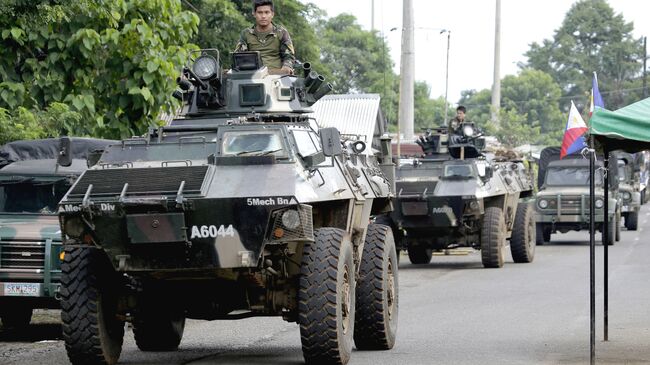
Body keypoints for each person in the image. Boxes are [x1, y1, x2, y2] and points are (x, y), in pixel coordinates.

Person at [234, 0, 296, 74]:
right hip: (253, 76)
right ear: (254, 14)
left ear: (272, 14)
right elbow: (238, 58)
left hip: (277, 76)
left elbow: (289, 56)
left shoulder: (281, 32)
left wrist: (286, 67)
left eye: (267, 12)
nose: (263, 16)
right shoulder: (246, 34)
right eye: (260, 12)